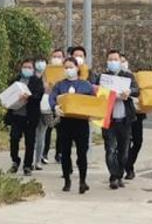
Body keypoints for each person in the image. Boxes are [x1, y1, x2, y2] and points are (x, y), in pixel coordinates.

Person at [92, 49, 140, 189]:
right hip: (109, 119)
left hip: (125, 120)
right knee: (110, 150)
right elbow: (94, 91)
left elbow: (138, 91)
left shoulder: (128, 77)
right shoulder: (103, 77)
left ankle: (119, 174)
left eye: (115, 59)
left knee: (124, 151)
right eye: (110, 59)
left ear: (120, 61)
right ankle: (114, 176)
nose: (113, 62)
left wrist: (129, 92)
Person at [48, 56, 96, 193]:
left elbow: (93, 101)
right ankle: (67, 180)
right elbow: (52, 98)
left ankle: (82, 181)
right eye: (66, 67)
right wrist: (55, 107)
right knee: (65, 152)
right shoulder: (60, 85)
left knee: (82, 153)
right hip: (65, 122)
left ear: (77, 68)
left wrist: (92, 112)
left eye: (71, 67)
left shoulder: (85, 85)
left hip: (81, 123)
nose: (69, 70)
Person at [5, 58, 43, 176]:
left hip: (30, 116)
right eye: (25, 67)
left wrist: (28, 97)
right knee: (14, 139)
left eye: (29, 67)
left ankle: (27, 165)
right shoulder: (15, 80)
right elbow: (8, 95)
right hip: (16, 115)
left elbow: (38, 96)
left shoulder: (36, 81)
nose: (27, 69)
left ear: (33, 69)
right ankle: (15, 160)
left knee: (30, 142)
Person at [122, 53, 145, 181]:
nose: (123, 63)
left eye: (124, 61)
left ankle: (128, 164)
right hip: (123, 115)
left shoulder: (133, 77)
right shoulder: (114, 77)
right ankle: (128, 169)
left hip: (137, 115)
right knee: (125, 143)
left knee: (138, 141)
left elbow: (139, 91)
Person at [32, 56, 52, 167]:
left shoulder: (50, 77)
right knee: (33, 136)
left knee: (41, 135)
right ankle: (31, 158)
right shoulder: (32, 77)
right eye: (38, 62)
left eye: (43, 62)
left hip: (46, 109)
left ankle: (38, 160)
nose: (41, 65)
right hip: (34, 109)